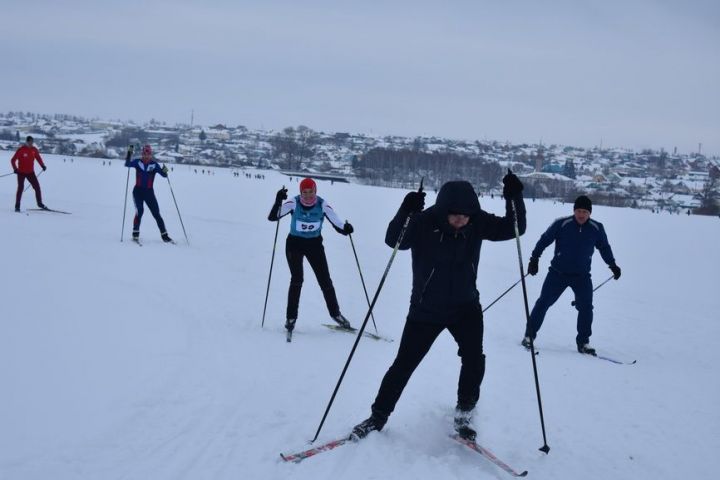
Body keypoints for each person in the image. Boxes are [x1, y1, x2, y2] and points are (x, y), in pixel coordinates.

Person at [352, 173, 526, 441]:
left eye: (465, 215)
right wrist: (406, 210)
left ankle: (464, 410)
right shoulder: (424, 222)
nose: (460, 220)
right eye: (454, 215)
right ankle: (378, 416)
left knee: (474, 359)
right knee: (403, 365)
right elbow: (394, 240)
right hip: (425, 310)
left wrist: (514, 197)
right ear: (443, 210)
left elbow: (514, 228)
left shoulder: (476, 222)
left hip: (465, 307)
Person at [521, 195, 621, 355]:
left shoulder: (597, 228)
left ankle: (583, 342)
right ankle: (529, 337)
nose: (581, 215)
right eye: (579, 211)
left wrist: (612, 265)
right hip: (557, 274)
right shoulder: (561, 224)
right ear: (574, 211)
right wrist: (534, 258)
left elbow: (604, 247)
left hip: (582, 276)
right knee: (544, 302)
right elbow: (544, 240)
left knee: (586, 307)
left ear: (590, 213)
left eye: (585, 212)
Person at [268, 177, 354, 334]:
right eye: (304, 192)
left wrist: (346, 228)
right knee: (297, 279)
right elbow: (273, 217)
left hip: (314, 246)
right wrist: (278, 199)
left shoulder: (322, 205)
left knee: (325, 281)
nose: (308, 195)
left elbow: (337, 223)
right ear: (301, 192)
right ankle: (291, 318)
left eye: (311, 192)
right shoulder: (294, 203)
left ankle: (336, 314)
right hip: (294, 245)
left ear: (316, 191)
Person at [124, 144, 173, 243]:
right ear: (142, 154)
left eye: (148, 154)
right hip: (137, 191)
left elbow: (164, 175)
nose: (146, 156)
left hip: (149, 193)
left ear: (151, 155)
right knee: (140, 211)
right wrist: (129, 152)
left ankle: (164, 236)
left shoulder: (154, 165)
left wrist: (165, 169)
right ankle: (135, 234)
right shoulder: (138, 162)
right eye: (144, 154)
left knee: (156, 214)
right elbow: (127, 164)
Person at [11, 136, 47, 212]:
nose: (32, 144)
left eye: (32, 142)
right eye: (30, 142)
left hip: (31, 172)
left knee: (37, 187)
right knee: (20, 188)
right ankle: (17, 206)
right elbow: (13, 160)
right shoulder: (21, 150)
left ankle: (39, 203)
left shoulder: (34, 150)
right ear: (27, 142)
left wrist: (42, 165)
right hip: (21, 172)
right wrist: (15, 169)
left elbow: (38, 158)